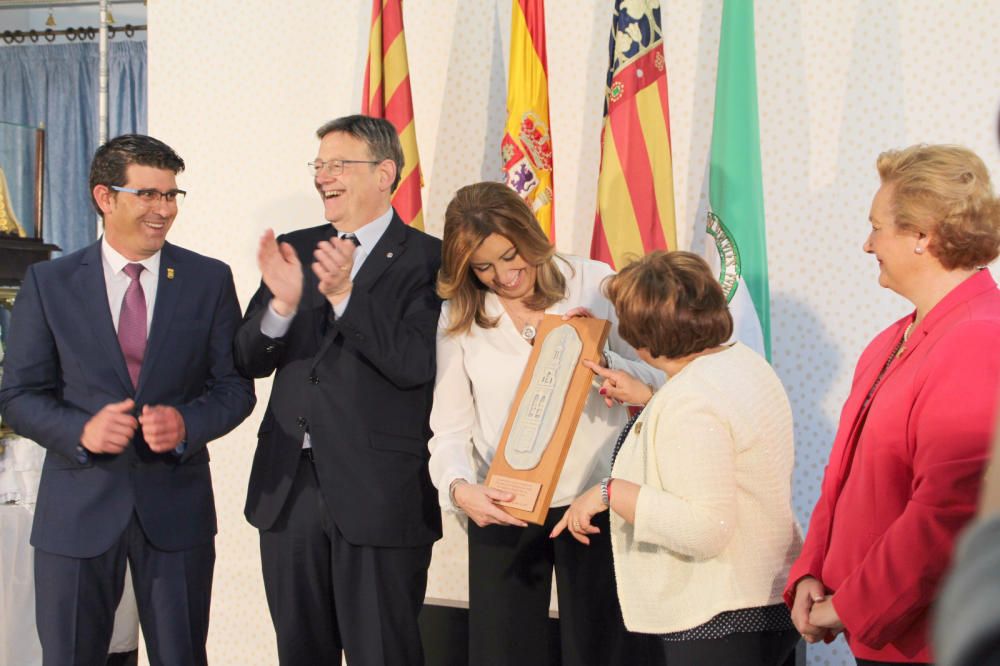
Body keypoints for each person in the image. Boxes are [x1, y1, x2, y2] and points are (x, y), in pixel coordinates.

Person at [0, 134, 255, 665]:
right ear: (104, 196)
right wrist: (80, 432)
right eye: (148, 194)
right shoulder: (48, 283)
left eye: (171, 195)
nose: (163, 209)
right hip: (76, 510)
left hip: (176, 510)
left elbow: (234, 390)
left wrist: (186, 424)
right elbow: (18, 395)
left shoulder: (208, 280)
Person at [235, 115, 442, 666]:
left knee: (383, 652)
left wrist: (347, 296)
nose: (323, 176)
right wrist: (279, 308)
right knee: (300, 652)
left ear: (384, 172)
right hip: (289, 491)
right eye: (319, 165)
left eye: (338, 164)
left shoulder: (432, 261)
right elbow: (247, 359)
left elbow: (415, 363)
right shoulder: (294, 249)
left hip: (380, 495)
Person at [428, 181, 663, 665]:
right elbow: (449, 428)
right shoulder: (459, 315)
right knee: (500, 652)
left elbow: (660, 377)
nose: (505, 276)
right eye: (484, 267)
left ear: (530, 235)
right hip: (502, 505)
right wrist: (457, 489)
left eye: (511, 256)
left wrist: (610, 362)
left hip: (596, 503)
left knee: (604, 651)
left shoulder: (594, 283)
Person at [785, 144, 1000, 665]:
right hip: (883, 635)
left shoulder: (978, 338)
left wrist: (850, 605)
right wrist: (813, 572)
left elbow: (951, 510)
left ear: (922, 236)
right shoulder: (890, 341)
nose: (867, 244)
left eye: (877, 227)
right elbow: (842, 477)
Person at [553, 250, 802, 666]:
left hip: (719, 617)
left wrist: (609, 492)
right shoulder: (742, 363)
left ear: (643, 340)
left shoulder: (691, 403)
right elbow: (720, 425)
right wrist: (651, 395)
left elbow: (705, 527)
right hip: (767, 601)